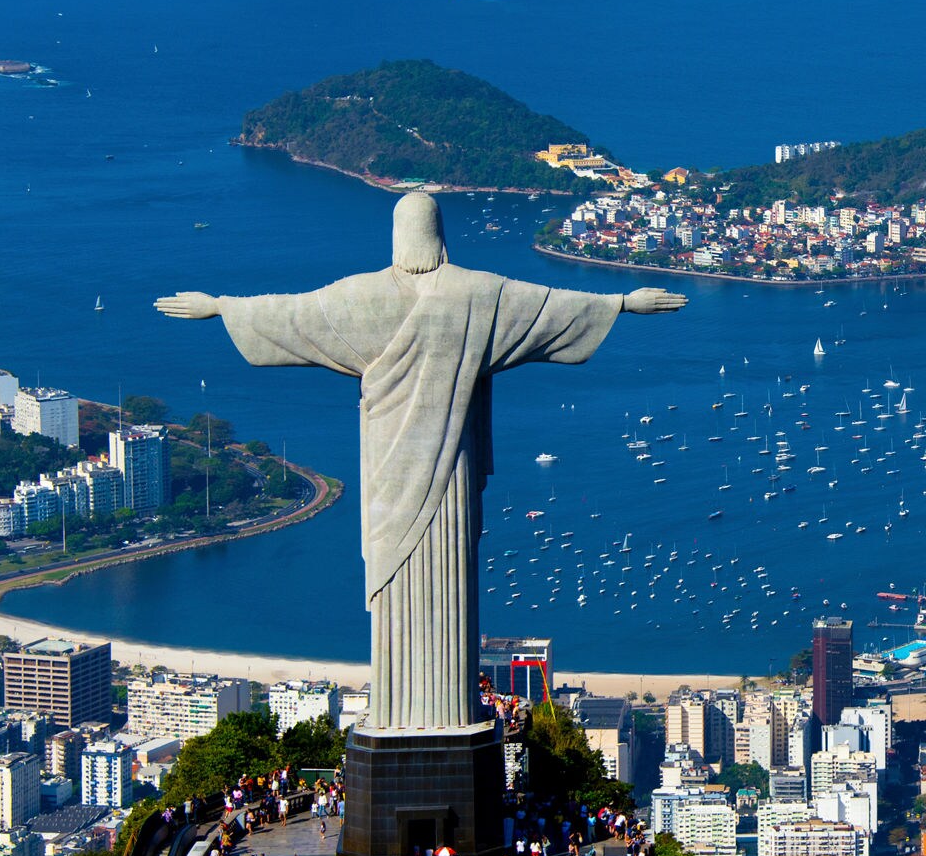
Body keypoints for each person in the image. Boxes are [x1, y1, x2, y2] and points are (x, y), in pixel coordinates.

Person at [154, 195, 685, 732]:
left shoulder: (358, 299)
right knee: (446, 581)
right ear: (439, 234)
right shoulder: (477, 296)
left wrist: (222, 306)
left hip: (386, 473)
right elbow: (550, 309)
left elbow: (291, 314)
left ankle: (399, 718)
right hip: (449, 473)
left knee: (396, 583)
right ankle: (443, 716)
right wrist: (620, 301)